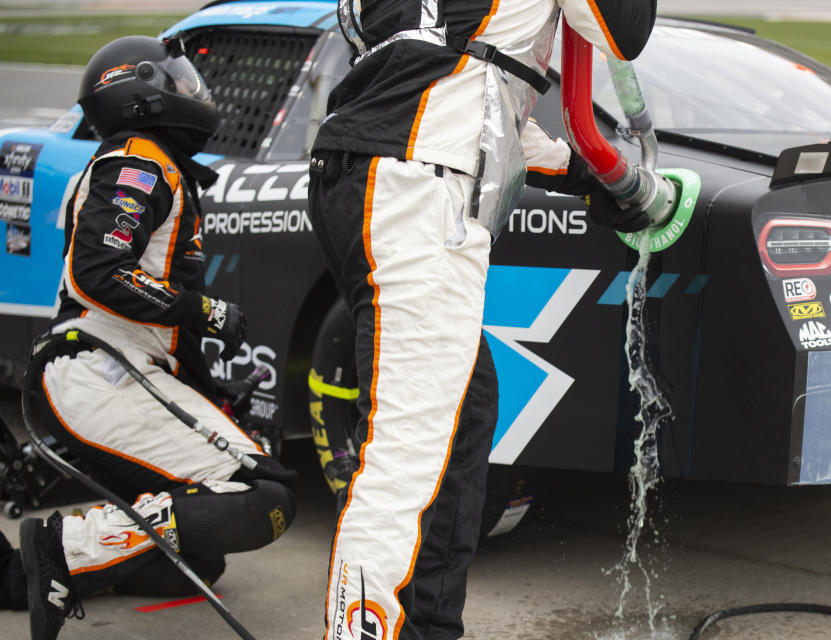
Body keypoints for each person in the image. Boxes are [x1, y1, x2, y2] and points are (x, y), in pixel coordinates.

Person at [308, 1, 658, 638]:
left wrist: (591, 178)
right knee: (407, 455)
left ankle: (427, 627)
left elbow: (467, 85)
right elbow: (620, 32)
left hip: (370, 164)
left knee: (464, 413)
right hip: (416, 181)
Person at [7, 35, 297, 640]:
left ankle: (36, 571)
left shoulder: (150, 161)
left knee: (196, 559)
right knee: (262, 498)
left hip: (111, 367)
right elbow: (99, 273)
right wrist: (206, 310)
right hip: (95, 367)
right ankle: (60, 548)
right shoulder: (139, 160)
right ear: (137, 94)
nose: (192, 88)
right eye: (178, 78)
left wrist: (215, 389)